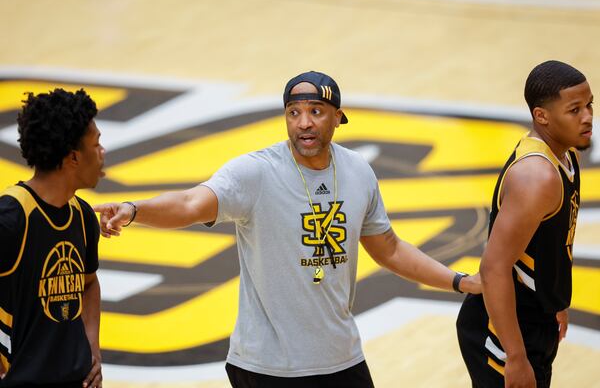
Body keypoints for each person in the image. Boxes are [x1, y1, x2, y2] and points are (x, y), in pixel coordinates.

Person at [95, 71, 480, 388]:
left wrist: (458, 281)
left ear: (337, 117)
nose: (304, 122)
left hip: (341, 359)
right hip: (266, 368)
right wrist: (133, 209)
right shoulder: (255, 173)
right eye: (294, 112)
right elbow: (190, 205)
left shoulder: (358, 172)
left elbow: (390, 248)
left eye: (316, 110)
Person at [456, 60, 593, 388]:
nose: (588, 117)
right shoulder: (537, 176)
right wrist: (515, 357)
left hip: (532, 319)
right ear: (541, 116)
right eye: (574, 110)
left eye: (589, 105)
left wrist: (555, 301)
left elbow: (552, 243)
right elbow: (493, 269)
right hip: (504, 330)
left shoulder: (565, 155)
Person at [0, 89, 104, 388]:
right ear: (73, 157)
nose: (103, 152)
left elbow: (88, 283)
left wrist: (92, 348)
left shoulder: (82, 217)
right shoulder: (10, 218)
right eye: (96, 144)